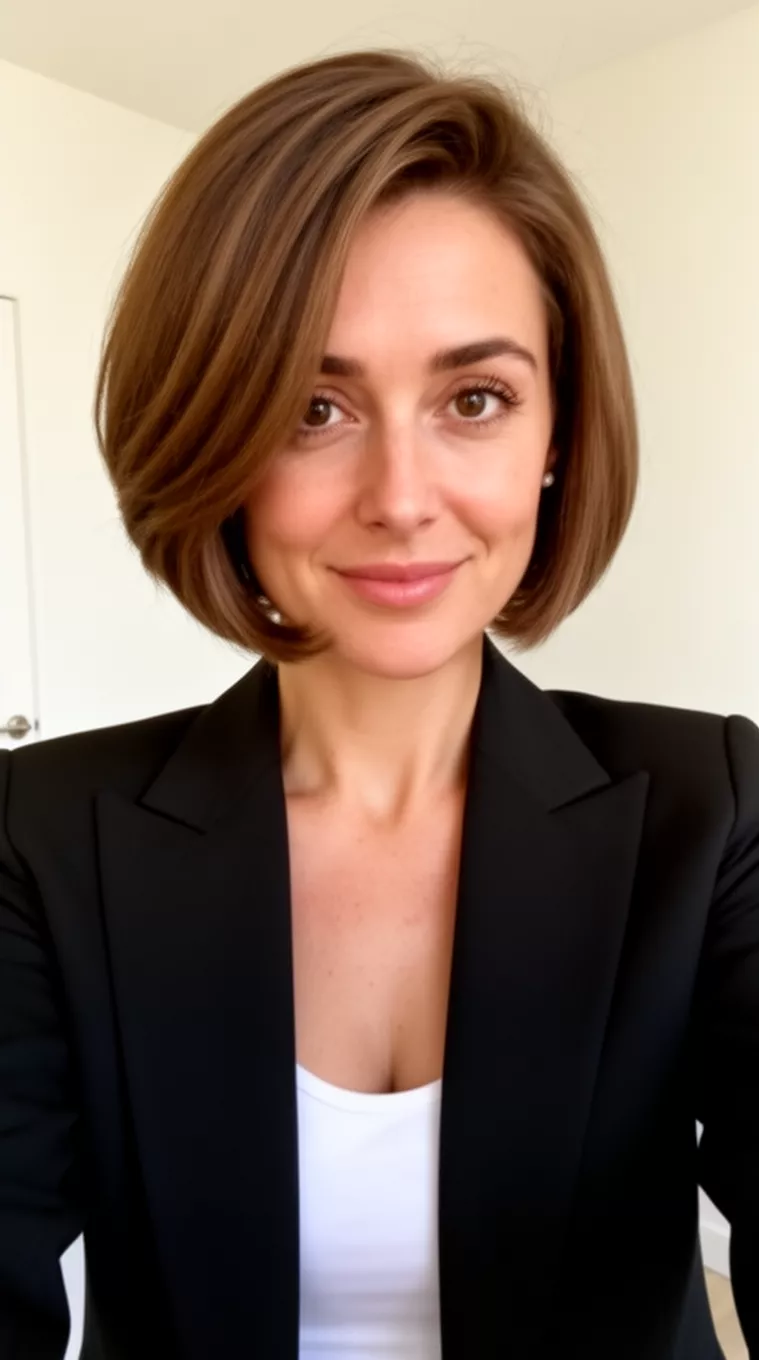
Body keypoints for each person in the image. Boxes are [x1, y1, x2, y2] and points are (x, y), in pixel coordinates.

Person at [0, 45, 756, 1360]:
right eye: (312, 406)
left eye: (474, 398)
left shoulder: (712, 811)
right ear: (215, 438)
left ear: (555, 433)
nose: (401, 496)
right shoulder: (43, 833)